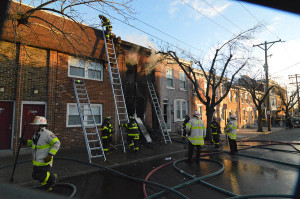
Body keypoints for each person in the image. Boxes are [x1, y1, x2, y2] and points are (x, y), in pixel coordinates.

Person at [22, 116, 60, 191]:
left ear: (41, 126)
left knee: (41, 175)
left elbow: (57, 143)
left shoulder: (48, 134)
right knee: (35, 176)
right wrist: (25, 142)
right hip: (37, 161)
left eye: (35, 125)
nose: (34, 127)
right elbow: (35, 144)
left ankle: (52, 178)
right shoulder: (36, 134)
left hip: (44, 160)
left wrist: (50, 155)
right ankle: (47, 186)